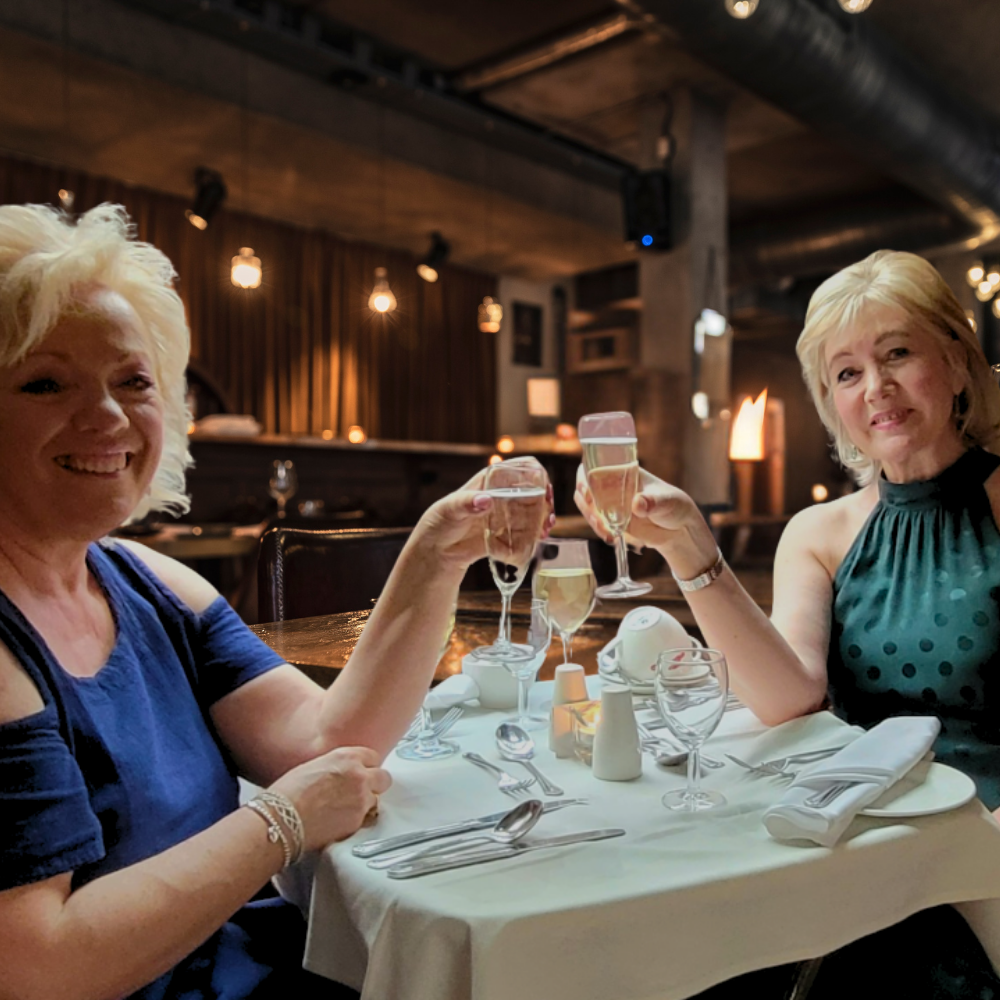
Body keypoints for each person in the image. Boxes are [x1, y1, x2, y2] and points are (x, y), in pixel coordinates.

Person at [0, 202, 546, 1000]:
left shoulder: (148, 580)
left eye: (133, 381)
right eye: (45, 382)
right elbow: (37, 964)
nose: (109, 416)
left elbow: (325, 742)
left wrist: (437, 555)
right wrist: (280, 822)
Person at [576, 249, 1000, 997]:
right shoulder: (819, 532)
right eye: (847, 372)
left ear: (959, 362)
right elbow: (788, 697)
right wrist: (688, 545)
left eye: (898, 354)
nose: (877, 388)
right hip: (859, 838)